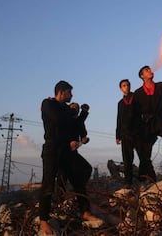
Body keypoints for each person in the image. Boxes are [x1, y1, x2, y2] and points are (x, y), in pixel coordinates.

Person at [39, 81, 101, 235]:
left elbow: (75, 123)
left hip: (66, 150)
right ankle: (43, 220)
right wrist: (72, 111)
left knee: (80, 175)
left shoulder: (68, 109)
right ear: (62, 92)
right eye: (69, 92)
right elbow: (60, 120)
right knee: (48, 184)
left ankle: (85, 211)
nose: (72, 96)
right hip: (52, 149)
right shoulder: (48, 104)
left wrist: (83, 113)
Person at [116, 79, 142, 186]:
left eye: (127, 85)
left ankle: (145, 179)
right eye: (123, 85)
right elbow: (119, 119)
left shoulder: (136, 97)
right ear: (120, 88)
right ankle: (128, 183)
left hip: (137, 132)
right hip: (125, 134)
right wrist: (117, 135)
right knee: (127, 160)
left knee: (143, 157)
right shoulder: (120, 103)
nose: (126, 87)